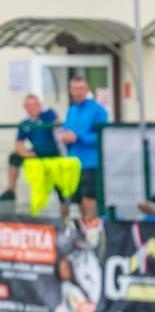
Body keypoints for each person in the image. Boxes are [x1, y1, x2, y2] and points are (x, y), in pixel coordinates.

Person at [4, 94, 74, 215]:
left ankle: (65, 219)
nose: (33, 108)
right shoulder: (25, 123)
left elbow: (59, 130)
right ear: (25, 107)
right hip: (37, 156)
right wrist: (27, 154)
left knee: (62, 192)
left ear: (40, 105)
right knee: (13, 156)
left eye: (35, 104)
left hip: (55, 156)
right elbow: (19, 144)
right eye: (29, 105)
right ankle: (11, 189)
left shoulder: (48, 115)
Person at [59, 76, 107, 225]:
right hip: (73, 162)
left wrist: (79, 137)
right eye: (75, 89)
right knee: (78, 199)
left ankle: (93, 229)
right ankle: (85, 230)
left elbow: (102, 135)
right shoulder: (71, 110)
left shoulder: (98, 110)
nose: (78, 92)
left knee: (89, 197)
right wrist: (63, 135)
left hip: (91, 162)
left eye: (81, 89)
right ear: (70, 91)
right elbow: (66, 129)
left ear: (87, 90)